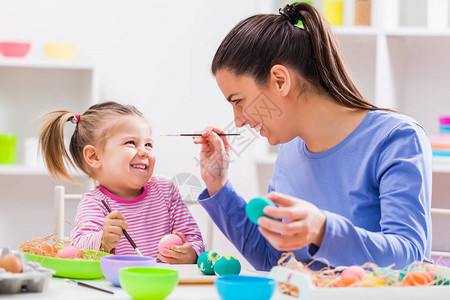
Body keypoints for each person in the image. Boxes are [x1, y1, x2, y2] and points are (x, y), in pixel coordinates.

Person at [194, 2, 432, 271]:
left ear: (280, 81)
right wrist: (218, 186)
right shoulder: (290, 150)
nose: (238, 120)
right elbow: (273, 260)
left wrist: (323, 230)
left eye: (238, 101)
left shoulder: (396, 138)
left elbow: (410, 256)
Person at [39, 101, 204, 263]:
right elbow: (79, 248)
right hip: (117, 286)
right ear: (94, 157)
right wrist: (102, 239)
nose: (144, 151)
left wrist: (191, 253)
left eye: (148, 144)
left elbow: (194, 239)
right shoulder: (94, 203)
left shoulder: (165, 190)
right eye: (131, 143)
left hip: (163, 286)